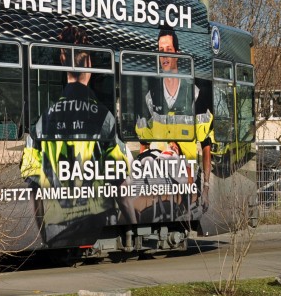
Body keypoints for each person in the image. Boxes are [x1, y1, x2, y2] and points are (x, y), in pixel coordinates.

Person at [20, 26, 130, 248]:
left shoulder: (42, 122)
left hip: (56, 229)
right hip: (97, 221)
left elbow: (34, 187)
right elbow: (121, 180)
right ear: (88, 62)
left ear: (63, 61)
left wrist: (45, 234)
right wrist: (130, 224)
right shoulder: (104, 118)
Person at [135, 26, 213, 210]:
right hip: (158, 185)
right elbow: (143, 145)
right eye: (160, 50)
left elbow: (206, 146)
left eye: (168, 50)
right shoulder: (150, 97)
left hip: (186, 186)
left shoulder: (195, 95)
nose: (164, 55)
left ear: (177, 54)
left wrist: (206, 188)